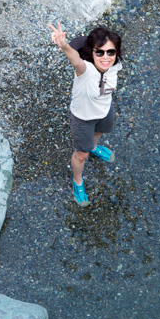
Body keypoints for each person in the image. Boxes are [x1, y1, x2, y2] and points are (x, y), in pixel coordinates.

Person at [48, 22, 123, 206]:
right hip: (83, 118)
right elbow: (76, 60)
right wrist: (64, 45)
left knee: (99, 134)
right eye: (100, 52)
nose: (106, 57)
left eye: (110, 52)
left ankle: (94, 146)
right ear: (92, 53)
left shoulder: (115, 64)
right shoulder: (85, 70)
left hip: (105, 110)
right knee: (81, 155)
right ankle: (78, 181)